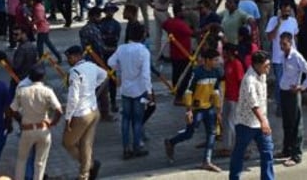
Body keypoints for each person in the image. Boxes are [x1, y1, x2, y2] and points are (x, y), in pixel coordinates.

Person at [164, 47, 224, 172]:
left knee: (211, 133)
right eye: (215, 60)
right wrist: (189, 110)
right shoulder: (197, 73)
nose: (217, 62)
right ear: (207, 60)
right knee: (189, 133)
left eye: (217, 60)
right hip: (197, 109)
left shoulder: (216, 72)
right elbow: (188, 91)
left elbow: (216, 91)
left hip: (209, 108)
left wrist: (218, 109)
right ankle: (171, 142)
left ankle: (207, 161)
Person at [107, 23, 153, 159]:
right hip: (139, 90)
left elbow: (110, 62)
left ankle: (126, 148)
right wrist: (149, 91)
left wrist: (120, 68)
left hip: (125, 90)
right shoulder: (143, 51)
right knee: (137, 120)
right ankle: (137, 146)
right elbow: (146, 74)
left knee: (125, 119)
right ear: (142, 35)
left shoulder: (122, 48)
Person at [11, 65, 63, 180]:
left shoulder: (22, 91)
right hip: (43, 129)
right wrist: (53, 122)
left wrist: (20, 120)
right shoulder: (48, 91)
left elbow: (13, 110)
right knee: (40, 162)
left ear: (29, 77)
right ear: (43, 77)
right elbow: (59, 110)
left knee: (21, 160)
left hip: (27, 129)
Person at [62, 44, 107, 180]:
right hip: (93, 110)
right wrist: (92, 88)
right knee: (86, 144)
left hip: (81, 114)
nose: (68, 60)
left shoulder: (75, 72)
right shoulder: (92, 66)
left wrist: (68, 117)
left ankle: (90, 166)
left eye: (69, 57)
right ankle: (84, 175)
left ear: (77, 56)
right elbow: (104, 75)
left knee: (68, 143)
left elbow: (73, 98)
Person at [229, 50, 274, 180]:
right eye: (266, 65)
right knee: (239, 153)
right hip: (246, 123)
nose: (268, 68)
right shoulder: (249, 80)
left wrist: (263, 121)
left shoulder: (262, 74)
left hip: (261, 123)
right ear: (257, 65)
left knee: (267, 152)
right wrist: (263, 122)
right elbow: (254, 104)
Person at [276, 32, 307, 167]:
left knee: (296, 124)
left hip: (293, 94)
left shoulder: (297, 56)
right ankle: (286, 150)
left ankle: (296, 155)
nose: (282, 47)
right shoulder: (283, 56)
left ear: (291, 43)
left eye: (285, 44)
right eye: (281, 44)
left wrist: (302, 87)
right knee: (286, 123)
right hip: (284, 91)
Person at [264, 0, 298, 106]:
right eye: (285, 11)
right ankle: (280, 105)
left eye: (289, 11)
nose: (287, 14)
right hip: (278, 58)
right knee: (280, 82)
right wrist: (278, 24)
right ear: (280, 11)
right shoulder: (273, 20)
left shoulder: (293, 21)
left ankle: (290, 103)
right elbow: (270, 37)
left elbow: (295, 37)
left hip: (292, 57)